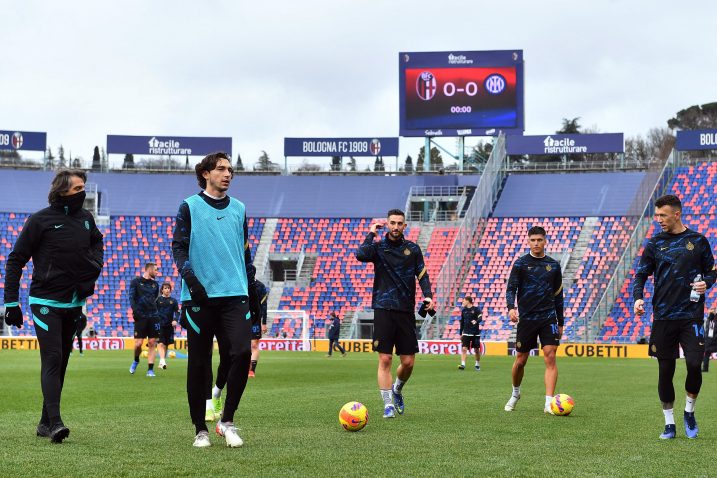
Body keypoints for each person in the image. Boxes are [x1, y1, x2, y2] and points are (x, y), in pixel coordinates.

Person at [3, 169, 104, 443]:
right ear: (62, 191)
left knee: (62, 363)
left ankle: (44, 423)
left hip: (74, 303)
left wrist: (93, 269)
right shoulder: (40, 220)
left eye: (84, 187)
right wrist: (11, 302)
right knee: (53, 359)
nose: (83, 192)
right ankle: (56, 423)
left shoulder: (86, 219)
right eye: (78, 188)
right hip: (45, 301)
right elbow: (15, 260)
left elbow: (97, 241)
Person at [172, 151, 260, 448]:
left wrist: (253, 288)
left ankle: (227, 421)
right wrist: (191, 280)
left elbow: (245, 251)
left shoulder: (240, 209)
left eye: (230, 169)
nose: (228, 174)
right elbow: (179, 248)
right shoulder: (189, 207)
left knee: (241, 354)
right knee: (199, 363)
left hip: (235, 294)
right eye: (221, 169)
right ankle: (201, 429)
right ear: (205, 174)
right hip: (199, 297)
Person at [633, 194, 715, 439]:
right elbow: (641, 275)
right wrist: (638, 298)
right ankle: (669, 423)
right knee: (665, 370)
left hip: (691, 316)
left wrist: (706, 285)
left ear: (677, 214)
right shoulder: (655, 243)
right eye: (657, 215)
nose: (659, 220)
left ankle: (689, 411)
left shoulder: (698, 241)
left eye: (663, 215)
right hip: (663, 317)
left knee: (693, 364)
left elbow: (712, 272)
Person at [355, 208, 434, 419]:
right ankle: (387, 404)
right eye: (392, 223)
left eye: (400, 223)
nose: (396, 226)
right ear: (387, 224)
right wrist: (371, 233)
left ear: (405, 226)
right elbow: (360, 254)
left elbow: (423, 275)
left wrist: (428, 296)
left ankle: (397, 389)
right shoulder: (378, 248)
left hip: (406, 310)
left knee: (408, 362)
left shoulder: (413, 249)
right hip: (383, 308)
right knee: (386, 359)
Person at [504, 226, 564, 414]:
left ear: (545, 241)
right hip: (527, 318)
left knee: (551, 355)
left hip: (548, 317)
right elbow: (511, 289)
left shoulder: (553, 265)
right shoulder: (520, 264)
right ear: (528, 241)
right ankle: (515, 393)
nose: (536, 243)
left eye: (539, 239)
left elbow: (558, 295)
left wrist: (560, 322)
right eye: (533, 240)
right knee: (521, 360)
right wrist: (511, 308)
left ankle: (548, 403)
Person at [210, 279, 268, 421]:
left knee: (244, 351)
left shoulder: (259, 286)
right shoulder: (233, 280)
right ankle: (216, 393)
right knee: (227, 357)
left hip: (249, 318)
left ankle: (227, 418)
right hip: (228, 317)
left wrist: (262, 322)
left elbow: (262, 305)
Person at [128, 262, 160, 377]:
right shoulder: (136, 282)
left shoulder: (155, 285)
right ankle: (136, 360)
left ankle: (150, 370)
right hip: (140, 316)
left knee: (152, 342)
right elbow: (131, 297)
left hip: (153, 316)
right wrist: (135, 311)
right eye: (155, 270)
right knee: (138, 344)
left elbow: (155, 298)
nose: (157, 272)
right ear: (149, 269)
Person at [156, 282, 179, 370]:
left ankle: (162, 362)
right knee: (160, 343)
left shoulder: (173, 301)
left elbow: (177, 312)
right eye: (165, 288)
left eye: (168, 288)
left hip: (169, 325)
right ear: (162, 290)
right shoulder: (158, 300)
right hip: (159, 325)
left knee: (165, 345)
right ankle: (162, 361)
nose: (167, 290)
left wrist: (175, 320)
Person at [458, 296, 482, 371]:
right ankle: (463, 364)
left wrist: (476, 321)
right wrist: (460, 333)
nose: (463, 302)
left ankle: (477, 363)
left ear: (468, 301)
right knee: (464, 348)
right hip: (466, 332)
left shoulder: (476, 309)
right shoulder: (463, 310)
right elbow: (462, 322)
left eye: (463, 301)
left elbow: (480, 318)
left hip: (475, 333)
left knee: (476, 350)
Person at [702, 306, 717, 372]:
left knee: (706, 354)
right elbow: (707, 330)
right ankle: (705, 368)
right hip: (709, 339)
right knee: (706, 354)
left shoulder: (712, 319)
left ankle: (705, 369)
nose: (711, 311)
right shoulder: (709, 319)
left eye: (713, 309)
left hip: (713, 340)